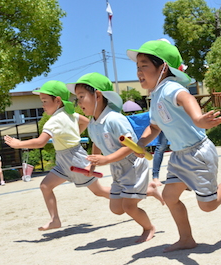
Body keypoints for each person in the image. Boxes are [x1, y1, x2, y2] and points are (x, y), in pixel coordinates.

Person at [126, 39, 221, 252]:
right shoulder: (155, 96)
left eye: (144, 66)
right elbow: (154, 126)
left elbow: (186, 97)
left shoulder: (170, 87)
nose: (139, 72)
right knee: (170, 196)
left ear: (162, 68)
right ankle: (186, 238)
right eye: (137, 67)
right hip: (179, 156)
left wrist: (198, 119)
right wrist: (141, 143)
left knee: (208, 205)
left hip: (199, 153)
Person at [67, 72, 164, 243]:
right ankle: (150, 190)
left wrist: (107, 159)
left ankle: (149, 228)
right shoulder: (93, 124)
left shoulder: (114, 119)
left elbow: (132, 145)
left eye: (82, 96)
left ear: (98, 95)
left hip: (133, 165)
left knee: (128, 206)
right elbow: (96, 144)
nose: (79, 102)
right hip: (118, 168)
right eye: (77, 98)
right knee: (116, 208)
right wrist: (92, 165)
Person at [4, 80, 110, 231]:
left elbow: (41, 142)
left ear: (58, 100)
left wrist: (18, 144)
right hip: (67, 159)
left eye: (45, 101)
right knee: (45, 186)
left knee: (99, 191)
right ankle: (55, 220)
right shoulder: (70, 114)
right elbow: (86, 121)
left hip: (75, 161)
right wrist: (73, 136)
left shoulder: (54, 121)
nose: (43, 105)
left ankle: (130, 196)